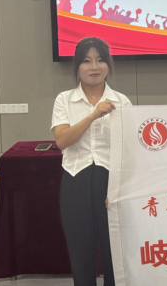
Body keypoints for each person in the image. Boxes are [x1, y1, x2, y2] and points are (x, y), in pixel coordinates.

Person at [51, 37, 132, 286]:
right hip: (76, 180)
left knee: (114, 252)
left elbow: (129, 151)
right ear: (77, 66)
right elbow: (62, 140)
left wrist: (118, 189)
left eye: (100, 60)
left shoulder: (121, 101)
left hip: (111, 183)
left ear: (108, 64)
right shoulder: (64, 100)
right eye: (86, 61)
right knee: (81, 252)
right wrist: (93, 115)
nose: (94, 67)